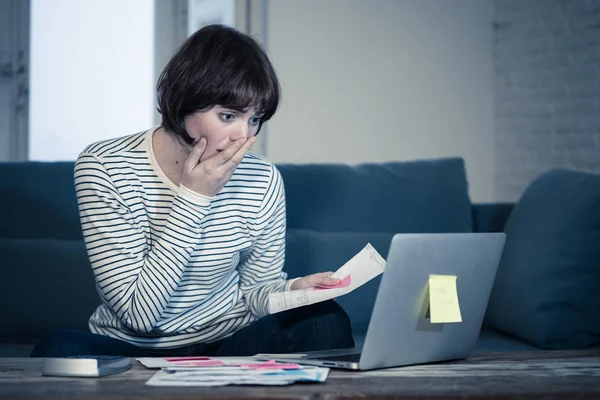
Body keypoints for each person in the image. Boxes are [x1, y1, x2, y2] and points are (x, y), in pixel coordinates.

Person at [30, 24, 354, 358]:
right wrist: (195, 197)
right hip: (129, 347)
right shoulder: (105, 166)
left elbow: (255, 292)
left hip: (227, 343)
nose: (244, 136)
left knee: (324, 320)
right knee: (60, 348)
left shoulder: (262, 178)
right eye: (228, 115)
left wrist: (292, 292)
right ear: (185, 102)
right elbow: (140, 316)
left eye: (255, 119)